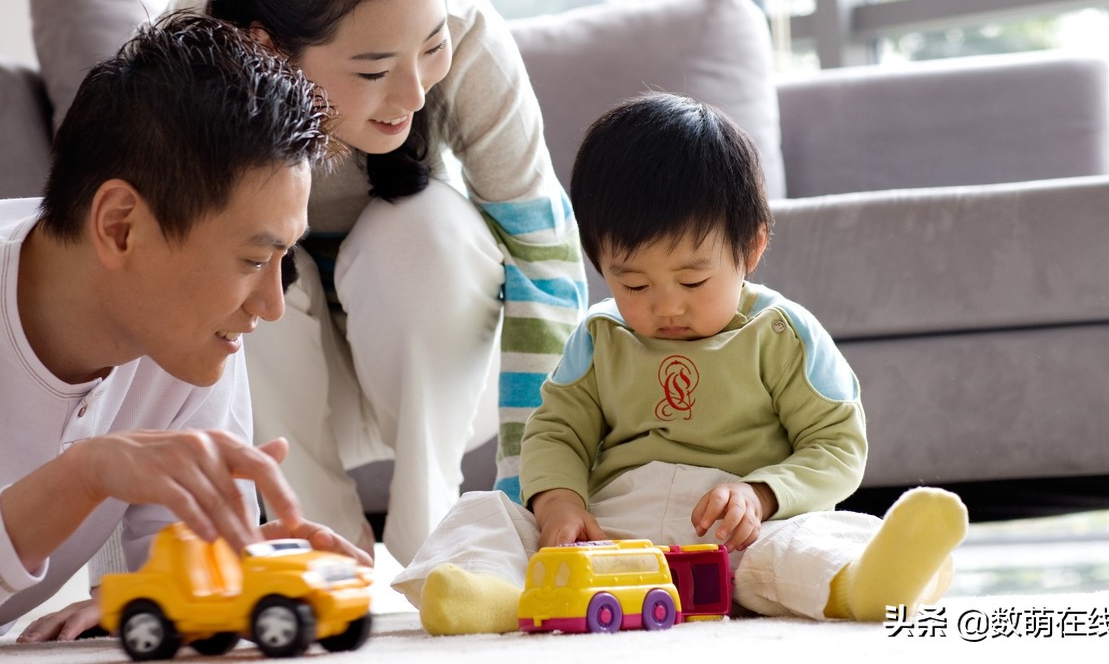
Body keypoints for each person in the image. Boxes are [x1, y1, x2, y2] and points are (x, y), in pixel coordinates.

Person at [0, 14, 366, 662]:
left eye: (282, 259)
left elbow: (174, 556)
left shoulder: (188, 338)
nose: (269, 306)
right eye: (251, 259)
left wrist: (220, 573)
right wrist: (82, 476)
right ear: (121, 226)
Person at [390, 93, 970, 633]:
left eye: (693, 279)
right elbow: (557, 430)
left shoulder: (781, 334)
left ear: (752, 248)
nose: (665, 304)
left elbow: (837, 445)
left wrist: (761, 495)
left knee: (801, 547)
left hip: (736, 535)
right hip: (610, 540)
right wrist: (559, 502)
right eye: (632, 281)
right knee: (482, 515)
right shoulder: (599, 337)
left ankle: (864, 584)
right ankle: (498, 598)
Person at [173, 0, 587, 565]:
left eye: (429, 49)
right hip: (283, 388)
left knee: (419, 227)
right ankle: (325, 547)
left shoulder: (473, 41)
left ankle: (432, 542)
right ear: (267, 48)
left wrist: (538, 497)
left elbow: (549, 274)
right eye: (373, 70)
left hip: (441, 375)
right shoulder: (191, 55)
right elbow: (142, 288)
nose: (415, 95)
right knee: (230, 258)